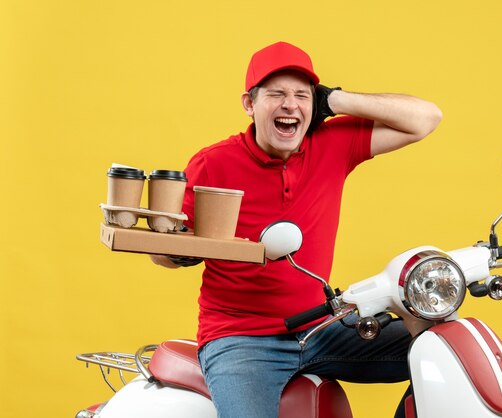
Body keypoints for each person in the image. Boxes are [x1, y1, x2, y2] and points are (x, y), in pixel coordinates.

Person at [150, 41, 442, 418]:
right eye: (276, 94)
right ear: (249, 104)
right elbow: (162, 253)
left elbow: (426, 118)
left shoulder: (333, 144)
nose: (290, 105)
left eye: (302, 95)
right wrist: (186, 249)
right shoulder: (214, 163)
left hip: (321, 326)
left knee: (441, 350)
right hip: (241, 340)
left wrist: (335, 100)